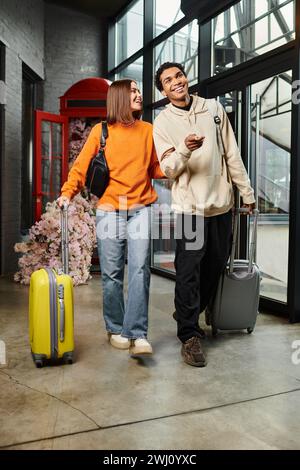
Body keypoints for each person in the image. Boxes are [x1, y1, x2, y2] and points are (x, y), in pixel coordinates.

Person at [153, 62, 255, 367]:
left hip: (221, 205)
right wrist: (184, 149)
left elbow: (232, 154)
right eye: (168, 81)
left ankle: (189, 311)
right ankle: (189, 334)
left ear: (186, 78)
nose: (176, 82)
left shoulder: (213, 109)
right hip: (189, 210)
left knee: (214, 265)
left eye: (178, 76)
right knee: (188, 271)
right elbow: (168, 170)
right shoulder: (162, 122)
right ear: (163, 90)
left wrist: (246, 193)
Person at [57, 79, 165, 357]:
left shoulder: (148, 130)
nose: (139, 96)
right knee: (111, 275)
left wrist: (180, 161)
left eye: (140, 92)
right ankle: (115, 327)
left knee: (140, 269)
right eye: (134, 92)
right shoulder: (101, 131)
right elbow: (81, 167)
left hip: (141, 207)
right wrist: (68, 193)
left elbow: (155, 168)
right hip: (109, 210)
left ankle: (138, 334)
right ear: (119, 98)